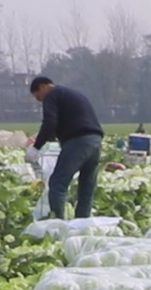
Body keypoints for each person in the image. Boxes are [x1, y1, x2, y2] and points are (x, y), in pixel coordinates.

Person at [29, 76, 103, 220]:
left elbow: (50, 122)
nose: (41, 101)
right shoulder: (72, 94)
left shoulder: (51, 95)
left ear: (43, 87)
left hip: (78, 141)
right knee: (86, 186)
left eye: (39, 97)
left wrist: (36, 147)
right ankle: (82, 222)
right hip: (95, 140)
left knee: (58, 183)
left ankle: (58, 222)